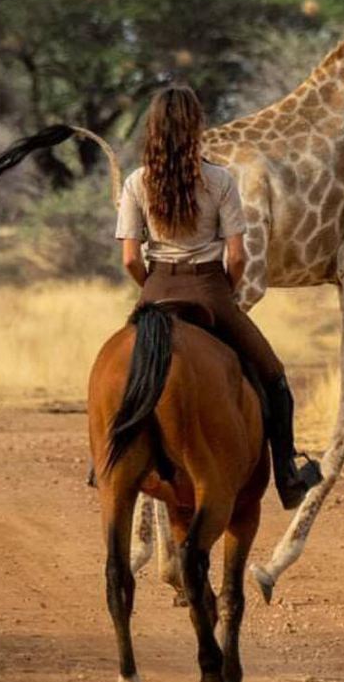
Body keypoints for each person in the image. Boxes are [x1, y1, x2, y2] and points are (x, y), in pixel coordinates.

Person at [116, 84, 321, 510]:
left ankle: (106, 463)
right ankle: (286, 474)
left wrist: (153, 288)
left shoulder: (137, 182)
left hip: (155, 288)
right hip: (210, 288)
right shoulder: (220, 180)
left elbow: (131, 259)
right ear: (197, 128)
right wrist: (223, 291)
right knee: (275, 378)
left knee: (123, 378)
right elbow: (238, 255)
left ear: (151, 129)